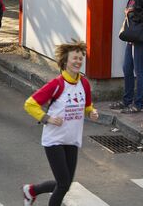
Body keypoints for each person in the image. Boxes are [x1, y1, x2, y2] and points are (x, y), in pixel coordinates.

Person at [23, 41, 99, 206]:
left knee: (65, 184)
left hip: (72, 139)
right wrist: (47, 118)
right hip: (54, 139)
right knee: (63, 183)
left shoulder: (84, 83)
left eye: (80, 58)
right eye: (75, 58)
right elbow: (30, 104)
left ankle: (32, 191)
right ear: (65, 61)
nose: (78, 61)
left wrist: (91, 112)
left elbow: (87, 105)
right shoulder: (57, 84)